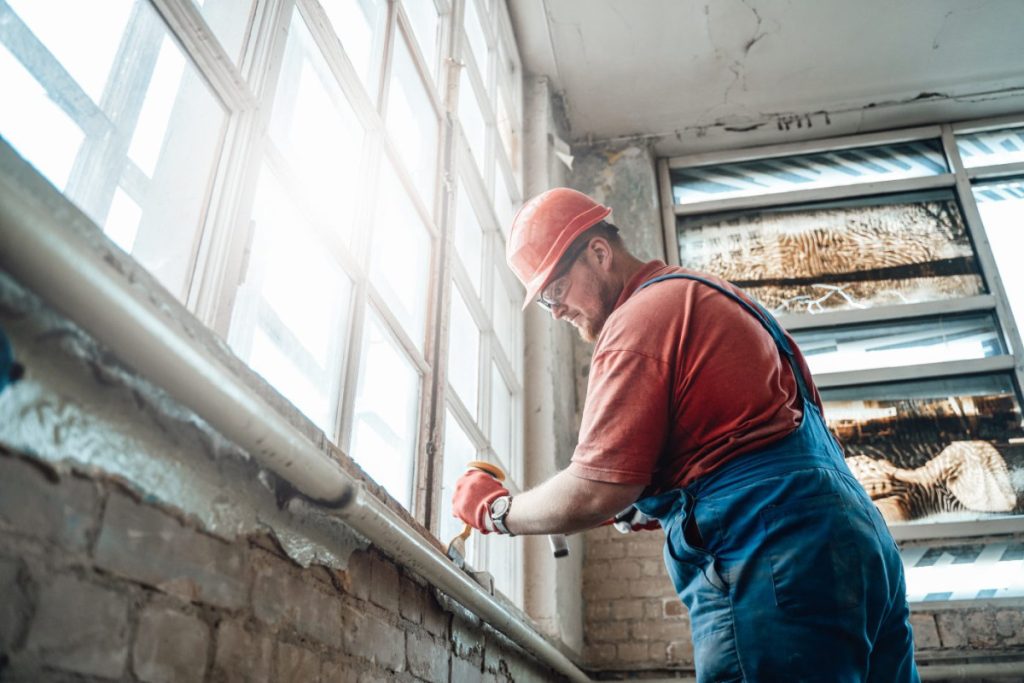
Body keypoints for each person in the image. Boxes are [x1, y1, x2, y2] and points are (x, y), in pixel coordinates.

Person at [452, 187, 920, 682]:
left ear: (598, 252)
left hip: (773, 555)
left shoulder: (637, 322)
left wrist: (497, 511)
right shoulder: (706, 294)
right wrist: (658, 499)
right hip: (856, 542)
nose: (555, 310)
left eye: (555, 290)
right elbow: (742, 447)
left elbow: (595, 489)